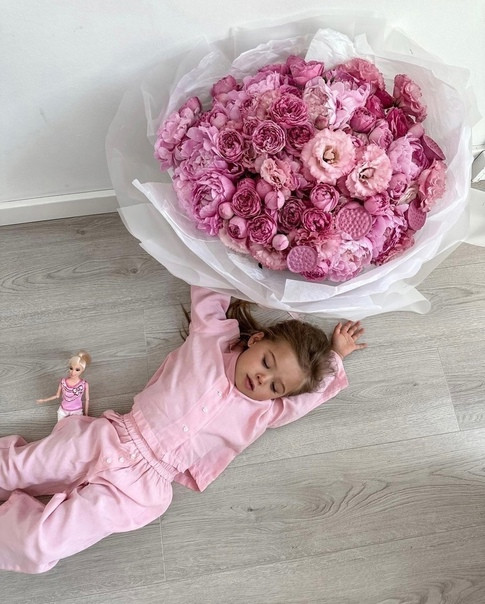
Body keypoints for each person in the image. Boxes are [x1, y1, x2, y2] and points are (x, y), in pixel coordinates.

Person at [0, 286, 366, 574]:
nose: (262, 379)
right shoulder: (212, 340)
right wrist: (224, 246)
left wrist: (335, 356)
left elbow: (305, 398)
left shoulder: (266, 412)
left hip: (141, 490)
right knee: (17, 468)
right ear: (256, 340)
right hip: (110, 438)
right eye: (267, 363)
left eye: (276, 386)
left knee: (45, 542)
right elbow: (208, 286)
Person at [36, 351, 91, 422]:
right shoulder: (63, 382)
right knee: (60, 426)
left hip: (77, 411)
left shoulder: (84, 384)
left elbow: (87, 399)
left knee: (77, 427)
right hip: (63, 410)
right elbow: (57, 396)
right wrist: (44, 400)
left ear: (82, 370)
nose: (73, 372)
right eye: (71, 368)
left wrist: (86, 414)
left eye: (77, 370)